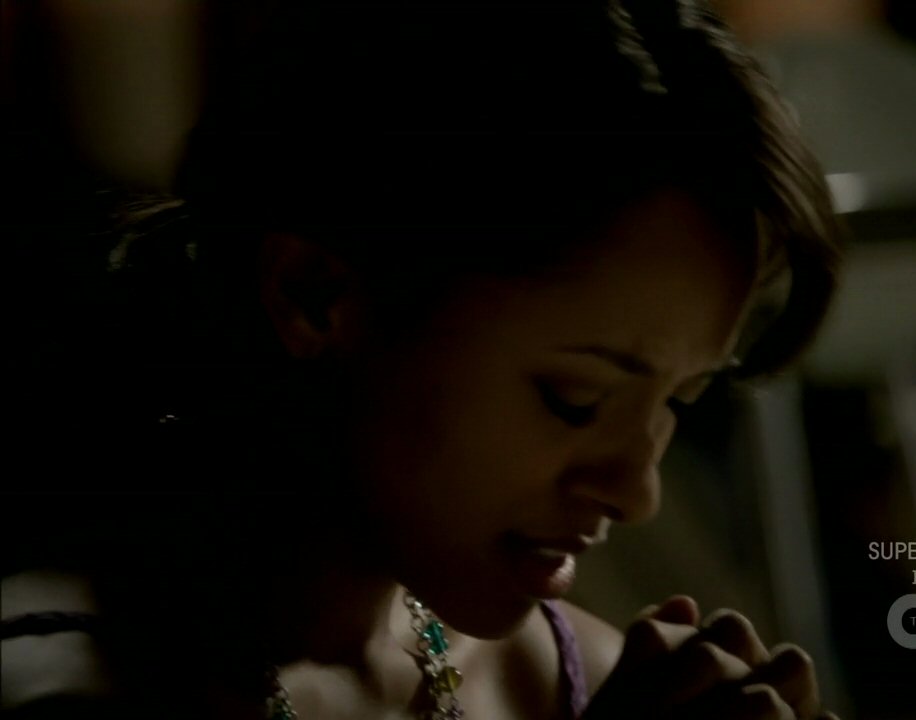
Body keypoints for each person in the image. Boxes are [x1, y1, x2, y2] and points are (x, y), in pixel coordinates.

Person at [2, 1, 842, 718]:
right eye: (574, 398)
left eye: (677, 403)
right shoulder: (60, 673)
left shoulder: (574, 678)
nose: (637, 491)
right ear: (314, 295)